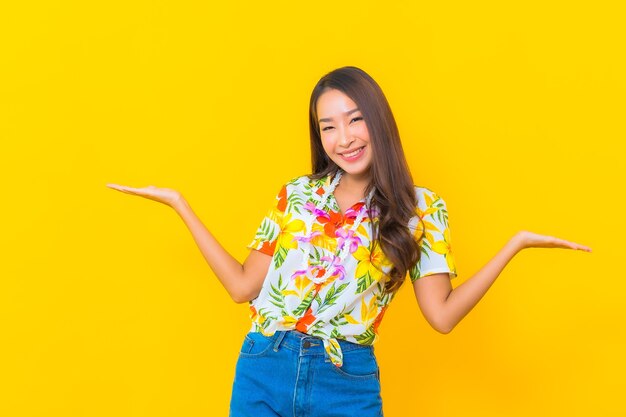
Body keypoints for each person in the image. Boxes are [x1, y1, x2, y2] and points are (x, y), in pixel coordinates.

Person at [106, 66, 592, 417]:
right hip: (263, 368)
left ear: (378, 121)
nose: (344, 137)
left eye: (355, 119)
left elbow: (441, 316)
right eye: (328, 126)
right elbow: (241, 287)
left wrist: (514, 245)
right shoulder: (297, 195)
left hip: (346, 381)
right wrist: (180, 205)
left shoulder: (420, 209)